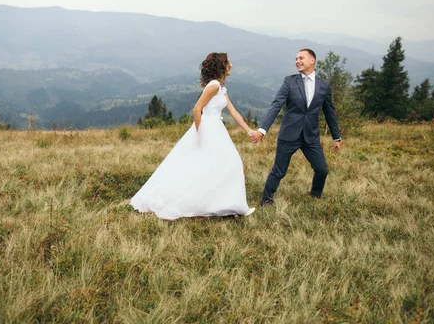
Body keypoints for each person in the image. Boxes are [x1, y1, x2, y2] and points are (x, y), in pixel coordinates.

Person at [131, 52, 256, 220]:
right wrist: (200, 134)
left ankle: (226, 203)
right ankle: (222, 204)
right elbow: (197, 109)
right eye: (228, 62)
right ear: (221, 66)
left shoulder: (221, 87)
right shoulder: (213, 86)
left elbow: (234, 112)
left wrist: (249, 131)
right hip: (208, 129)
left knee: (225, 165)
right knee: (223, 164)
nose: (231, 65)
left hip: (217, 129)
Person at [249, 48, 341, 204]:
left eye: (301, 58)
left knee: (322, 170)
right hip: (289, 134)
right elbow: (276, 105)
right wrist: (262, 131)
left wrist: (336, 137)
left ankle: (315, 196)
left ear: (312, 60)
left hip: (311, 137)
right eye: (296, 58)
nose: (297, 61)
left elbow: (329, 112)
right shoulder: (289, 81)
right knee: (279, 171)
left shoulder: (324, 86)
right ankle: (266, 200)